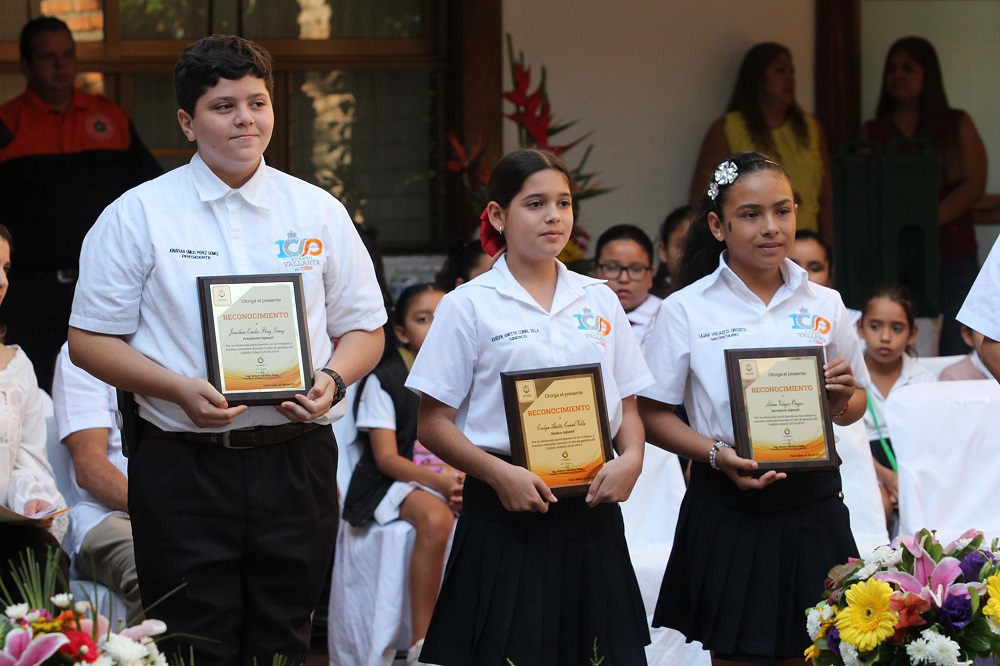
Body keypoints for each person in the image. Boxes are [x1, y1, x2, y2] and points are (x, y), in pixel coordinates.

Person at [66, 35, 386, 664]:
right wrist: (176, 388)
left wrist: (332, 378)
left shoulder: (317, 211)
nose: (245, 119)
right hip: (183, 463)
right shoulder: (137, 214)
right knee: (192, 641)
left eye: (257, 102)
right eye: (223, 106)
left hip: (297, 458)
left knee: (284, 638)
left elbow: (365, 330)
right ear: (187, 122)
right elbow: (88, 341)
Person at [405, 148, 653, 665]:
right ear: (498, 215)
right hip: (506, 511)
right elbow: (432, 423)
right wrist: (499, 475)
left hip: (591, 510)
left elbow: (627, 406)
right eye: (535, 203)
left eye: (563, 203)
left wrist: (632, 459)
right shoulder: (467, 305)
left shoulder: (600, 299)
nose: (554, 216)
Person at [639, 152, 868, 664]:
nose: (771, 227)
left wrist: (840, 401)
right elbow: (651, 414)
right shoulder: (686, 309)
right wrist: (715, 454)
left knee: (821, 652)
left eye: (782, 211)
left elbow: (856, 402)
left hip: (813, 506)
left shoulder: (825, 303)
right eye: (750, 214)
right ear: (717, 225)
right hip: (728, 505)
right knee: (737, 655)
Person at [0, 17, 161, 390]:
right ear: (26, 65)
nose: (61, 66)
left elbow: (151, 194)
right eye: (48, 57)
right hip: (29, 292)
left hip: (103, 284)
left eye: (68, 55)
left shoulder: (110, 119)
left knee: (106, 390)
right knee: (31, 390)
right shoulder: (6, 126)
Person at [342, 282, 462, 663]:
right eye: (423, 319)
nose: (435, 327)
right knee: (435, 518)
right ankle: (423, 643)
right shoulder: (387, 379)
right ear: (401, 332)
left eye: (443, 318)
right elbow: (387, 460)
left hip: (453, 480)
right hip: (393, 483)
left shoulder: (467, 372)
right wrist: (443, 483)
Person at [862, 36, 988, 356]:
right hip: (892, 259)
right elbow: (862, 194)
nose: (897, 75)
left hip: (952, 255)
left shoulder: (956, 123)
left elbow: (974, 184)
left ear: (927, 75)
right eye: (892, 69)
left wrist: (926, 225)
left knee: (960, 346)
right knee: (896, 349)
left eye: (908, 68)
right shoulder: (872, 132)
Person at [689, 43, 832, 239]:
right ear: (757, 76)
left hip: (804, 243)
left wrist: (828, 246)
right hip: (749, 244)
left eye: (792, 72)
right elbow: (703, 198)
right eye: (780, 70)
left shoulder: (811, 127)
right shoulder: (728, 128)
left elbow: (825, 197)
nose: (790, 78)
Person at [0, 224, 70, 602]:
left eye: (6, 269)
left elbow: (23, 463)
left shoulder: (17, 366)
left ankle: (45, 637)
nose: (2, 281)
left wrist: (30, 500)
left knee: (40, 553)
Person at [51, 342, 140, 621]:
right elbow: (89, 466)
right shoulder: (83, 350)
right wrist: (162, 514)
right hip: (106, 517)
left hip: (189, 510)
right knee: (154, 562)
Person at [858, 284, 937, 528]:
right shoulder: (849, 376)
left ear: (912, 333)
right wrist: (887, 478)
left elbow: (932, 441)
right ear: (860, 328)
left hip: (913, 467)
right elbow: (848, 443)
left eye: (896, 328)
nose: (885, 337)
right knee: (877, 504)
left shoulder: (925, 379)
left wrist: (904, 480)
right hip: (865, 464)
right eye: (875, 326)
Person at [593, 224, 661, 348]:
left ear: (650, 275)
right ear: (595, 271)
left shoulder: (666, 316)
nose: (624, 279)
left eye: (636, 269)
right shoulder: (581, 314)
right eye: (612, 267)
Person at [788, 228, 862, 329]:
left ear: (830, 275)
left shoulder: (854, 323)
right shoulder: (766, 317)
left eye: (814, 269)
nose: (803, 275)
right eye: (793, 267)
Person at [651, 205, 692, 298]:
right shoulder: (648, 296)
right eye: (682, 245)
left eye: (698, 246)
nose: (689, 253)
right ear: (663, 251)